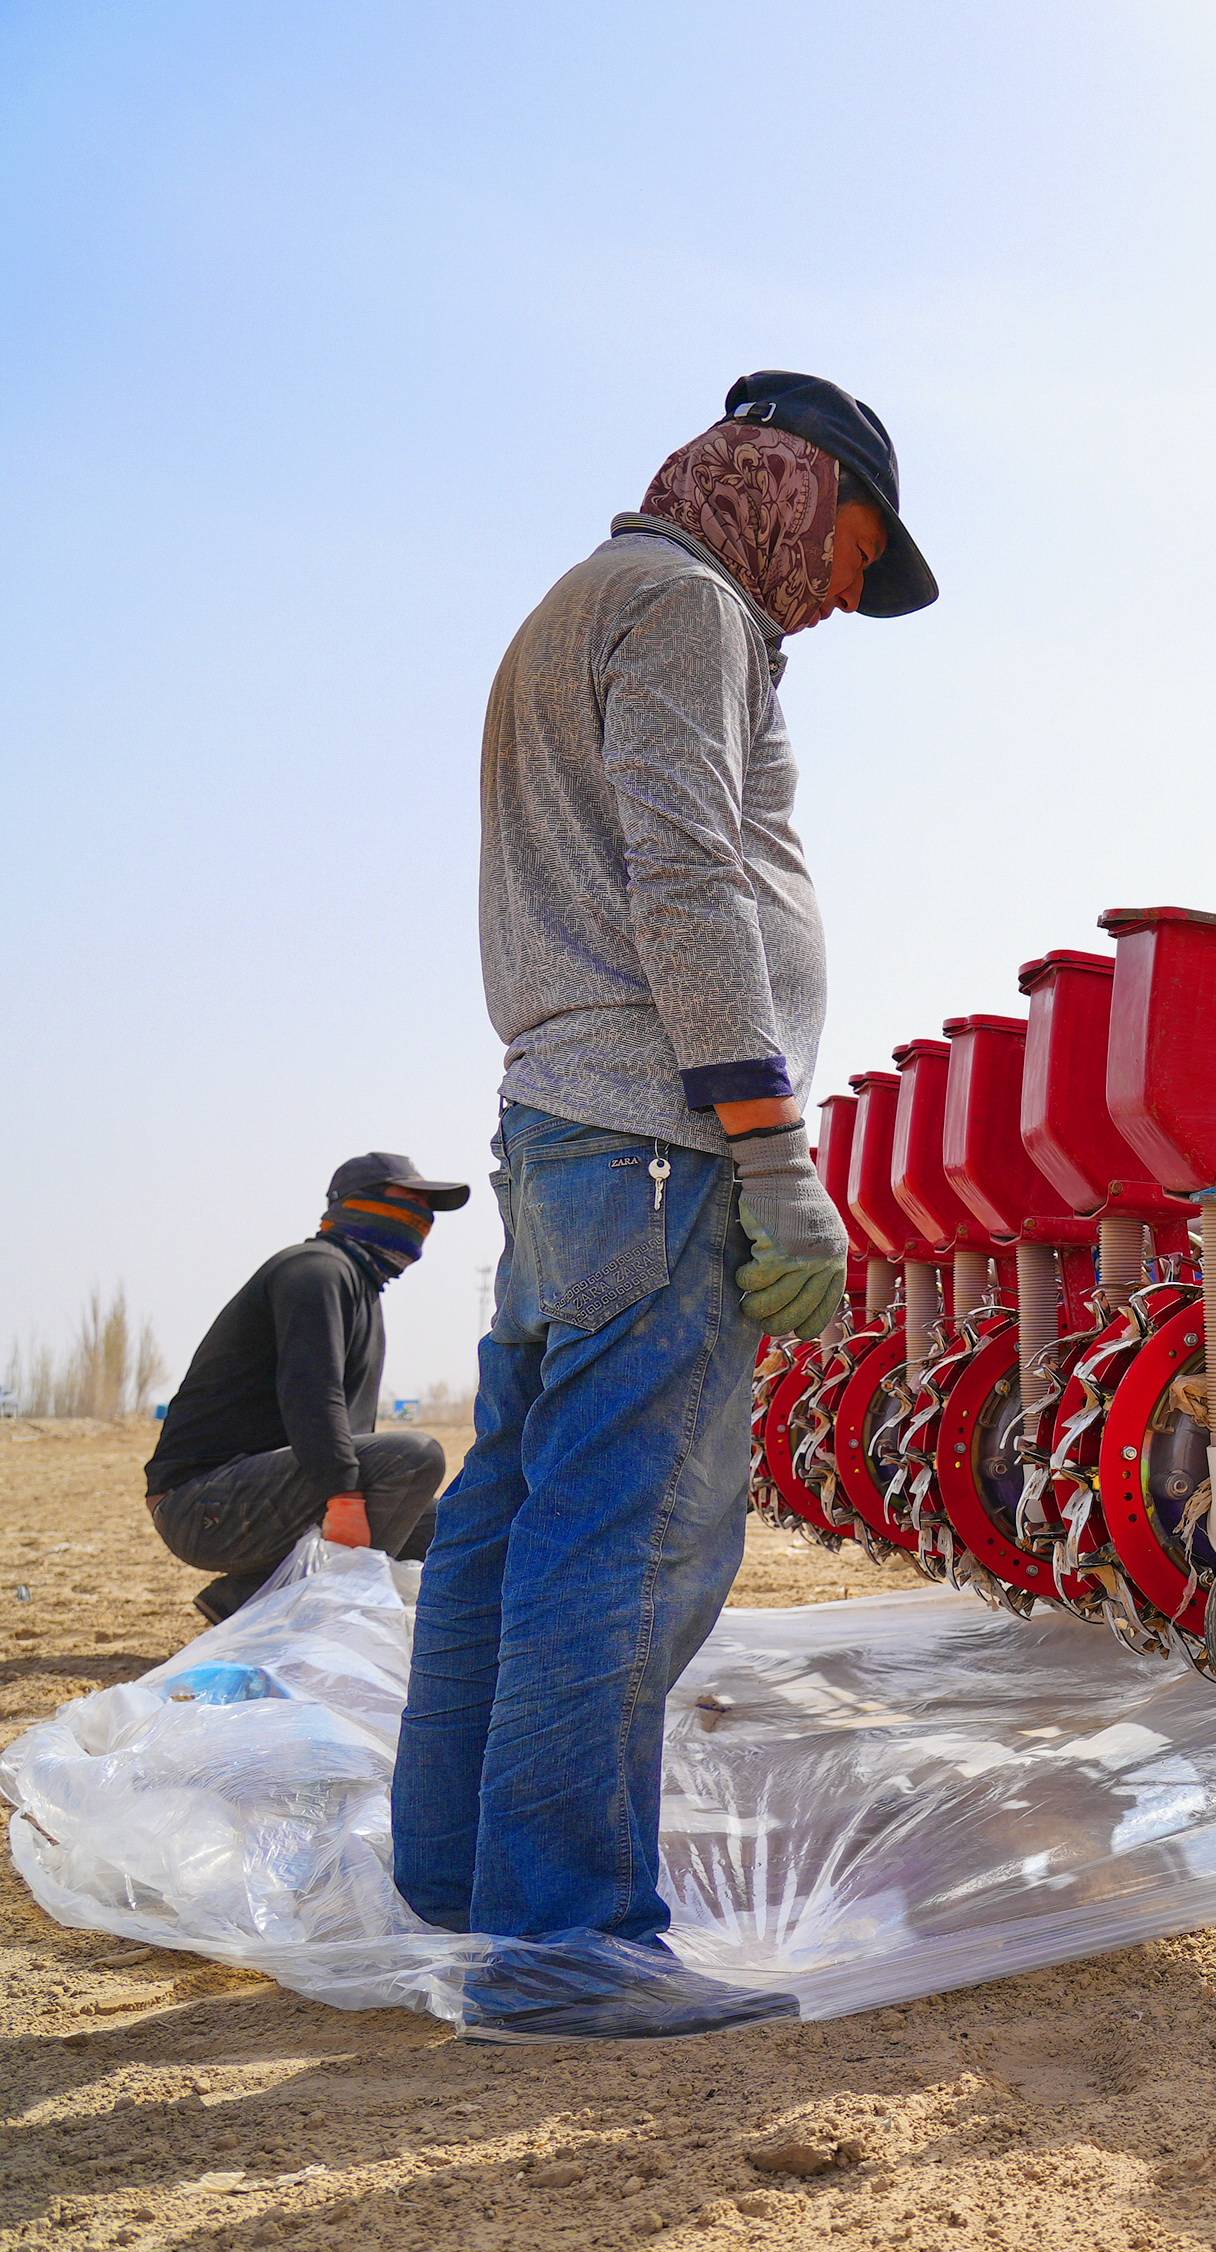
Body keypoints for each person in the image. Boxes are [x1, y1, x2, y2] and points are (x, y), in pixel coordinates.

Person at [389, 371, 935, 2040]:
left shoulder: (581, 604)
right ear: (790, 481)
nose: (849, 587)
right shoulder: (685, 607)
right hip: (659, 1137)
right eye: (857, 543)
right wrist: (774, 1152)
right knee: (625, 1531)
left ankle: (463, 1881)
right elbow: (687, 877)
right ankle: (566, 1944)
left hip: (569, 1132)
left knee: (514, 1508)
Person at [144, 1154, 469, 1623]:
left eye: (427, 1207)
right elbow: (312, 1396)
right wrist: (343, 1497)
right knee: (413, 1456)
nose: (422, 1217)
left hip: (260, 1493)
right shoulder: (316, 1272)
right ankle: (293, 1614)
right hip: (202, 1504)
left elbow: (352, 1435)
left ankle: (250, 1595)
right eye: (409, 1201)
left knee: (450, 1533)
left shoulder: (360, 1289)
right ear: (356, 1204)